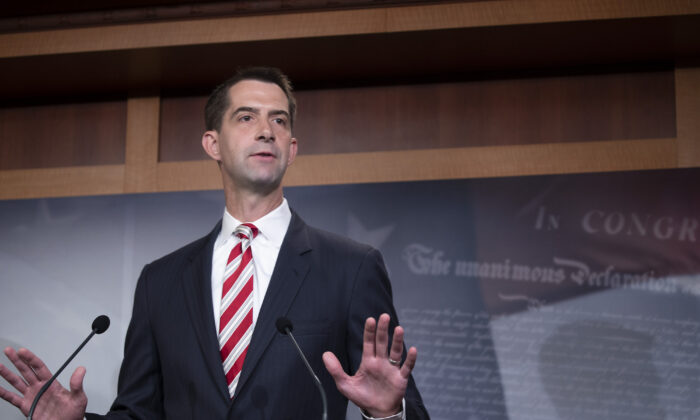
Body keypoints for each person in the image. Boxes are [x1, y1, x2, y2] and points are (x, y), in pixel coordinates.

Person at [0, 67, 429, 419]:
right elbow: (138, 413)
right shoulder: (161, 281)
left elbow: (402, 403)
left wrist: (388, 414)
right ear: (212, 144)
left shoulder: (350, 267)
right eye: (246, 117)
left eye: (279, 120)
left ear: (292, 149)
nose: (266, 131)